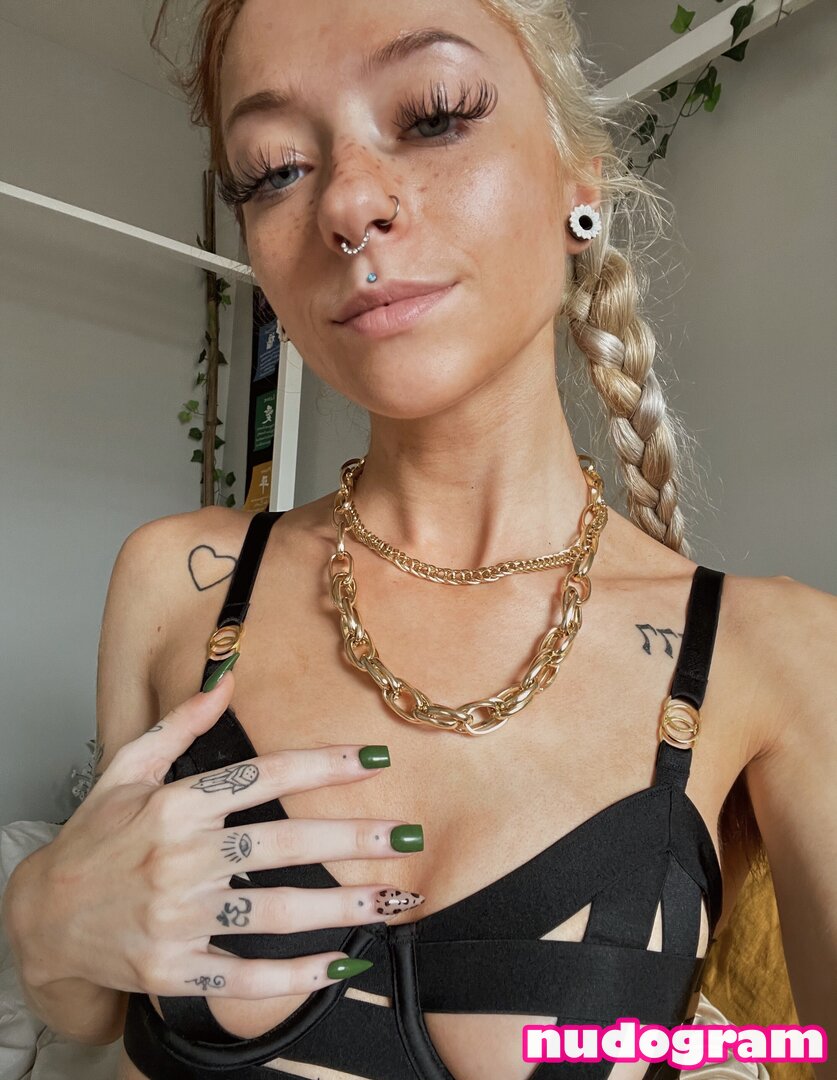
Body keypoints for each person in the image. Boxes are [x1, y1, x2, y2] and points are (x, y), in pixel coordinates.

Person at [2, 1, 835, 1078]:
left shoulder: (782, 651)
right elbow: (90, 1010)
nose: (346, 203)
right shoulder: (180, 583)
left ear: (577, 181)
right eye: (273, 170)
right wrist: (42, 914)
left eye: (435, 114)